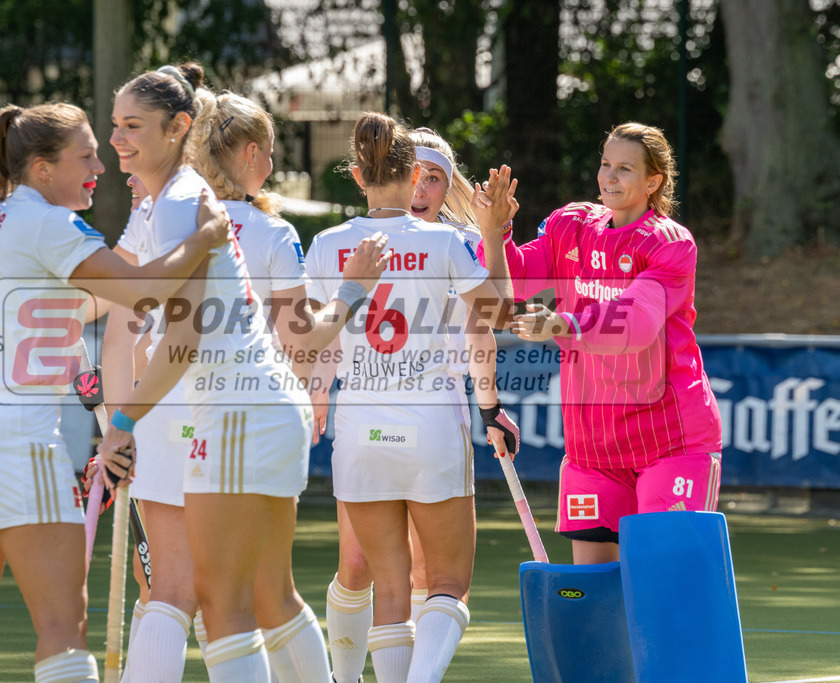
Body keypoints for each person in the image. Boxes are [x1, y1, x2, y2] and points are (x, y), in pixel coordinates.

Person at [0, 101, 230, 683]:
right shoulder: (50, 224)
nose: (100, 163)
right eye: (85, 155)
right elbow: (145, 292)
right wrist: (205, 237)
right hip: (20, 440)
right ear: (42, 169)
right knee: (63, 624)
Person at [97, 64, 390, 683]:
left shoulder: (170, 207)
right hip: (224, 404)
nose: (114, 144)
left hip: (224, 407)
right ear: (252, 153)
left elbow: (145, 328)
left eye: (130, 128)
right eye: (114, 128)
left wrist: (119, 415)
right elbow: (297, 336)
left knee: (202, 598)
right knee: (252, 598)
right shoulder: (171, 210)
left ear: (180, 131)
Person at [304, 112, 516, 682]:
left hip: (361, 430)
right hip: (432, 429)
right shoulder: (448, 242)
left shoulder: (326, 244)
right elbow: (499, 314)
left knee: (391, 589)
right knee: (446, 585)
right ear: (405, 172)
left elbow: (306, 338)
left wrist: (317, 389)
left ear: (357, 174)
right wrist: (494, 236)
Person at [480, 121, 723, 565]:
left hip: (670, 439)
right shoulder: (570, 225)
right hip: (593, 448)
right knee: (594, 600)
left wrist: (560, 325)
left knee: (663, 578)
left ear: (654, 182)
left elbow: (637, 325)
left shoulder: (670, 244)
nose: (609, 177)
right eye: (605, 164)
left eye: (624, 169)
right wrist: (495, 231)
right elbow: (512, 286)